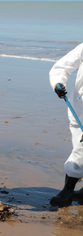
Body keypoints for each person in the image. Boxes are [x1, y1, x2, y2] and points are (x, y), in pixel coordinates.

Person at [48, 43, 83, 206]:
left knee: (81, 150)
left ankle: (67, 191)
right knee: (78, 145)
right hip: (79, 108)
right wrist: (58, 84)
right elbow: (61, 68)